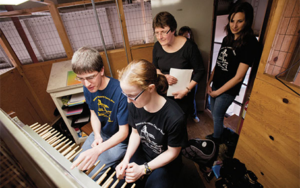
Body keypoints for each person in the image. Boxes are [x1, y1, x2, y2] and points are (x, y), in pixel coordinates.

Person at [115, 59, 188, 188]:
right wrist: (125, 159)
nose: (129, 101)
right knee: (122, 183)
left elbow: (173, 152)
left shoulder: (175, 117)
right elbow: (135, 133)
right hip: (144, 152)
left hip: (166, 162)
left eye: (132, 95)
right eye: (125, 95)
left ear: (150, 88)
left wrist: (143, 169)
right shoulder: (134, 104)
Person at [70, 47, 129, 181]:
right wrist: (97, 135)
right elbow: (94, 113)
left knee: (91, 176)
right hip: (101, 134)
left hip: (119, 140)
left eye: (90, 77)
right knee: (75, 165)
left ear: (101, 70)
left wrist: (98, 150)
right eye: (81, 79)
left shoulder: (120, 92)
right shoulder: (87, 86)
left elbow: (123, 133)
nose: (86, 84)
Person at [206, 2, 260, 142]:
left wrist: (218, 92)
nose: (234, 25)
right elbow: (218, 64)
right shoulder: (227, 39)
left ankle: (216, 142)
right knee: (215, 115)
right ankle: (218, 135)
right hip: (215, 85)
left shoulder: (250, 43)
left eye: (240, 21)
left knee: (218, 116)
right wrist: (209, 82)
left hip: (228, 90)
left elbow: (239, 77)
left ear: (247, 22)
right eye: (232, 21)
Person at [152, 12, 205, 122]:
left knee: (179, 123)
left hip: (183, 95)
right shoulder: (157, 46)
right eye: (156, 33)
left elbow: (200, 71)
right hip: (163, 93)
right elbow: (155, 67)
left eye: (163, 32)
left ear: (173, 30)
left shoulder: (189, 47)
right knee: (165, 122)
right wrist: (163, 76)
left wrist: (186, 90)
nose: (160, 37)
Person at [178, 26, 199, 123]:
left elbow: (199, 69)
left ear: (190, 36)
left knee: (191, 98)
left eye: (187, 35)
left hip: (192, 78)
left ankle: (194, 115)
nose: (185, 38)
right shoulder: (177, 50)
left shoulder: (193, 48)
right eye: (182, 36)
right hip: (180, 78)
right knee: (180, 99)